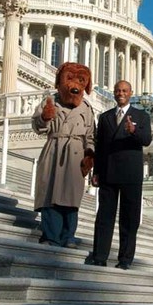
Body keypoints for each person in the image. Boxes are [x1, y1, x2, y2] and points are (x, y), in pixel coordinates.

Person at [86, 80, 152, 269]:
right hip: (108, 172)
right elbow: (100, 146)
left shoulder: (141, 115)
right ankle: (100, 256)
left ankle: (125, 259)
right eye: (117, 90)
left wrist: (133, 131)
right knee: (104, 217)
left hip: (131, 174)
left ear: (131, 93)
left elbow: (146, 140)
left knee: (129, 219)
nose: (120, 93)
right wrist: (96, 171)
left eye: (124, 90)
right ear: (114, 94)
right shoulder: (105, 116)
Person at [32, 62, 95, 248]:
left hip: (76, 155)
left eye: (80, 80)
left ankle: (68, 235)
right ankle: (51, 235)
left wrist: (90, 155)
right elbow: (37, 127)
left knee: (71, 198)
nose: (74, 85)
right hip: (54, 148)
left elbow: (91, 135)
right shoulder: (50, 101)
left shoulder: (86, 108)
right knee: (50, 195)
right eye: (69, 79)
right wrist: (44, 117)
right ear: (60, 81)